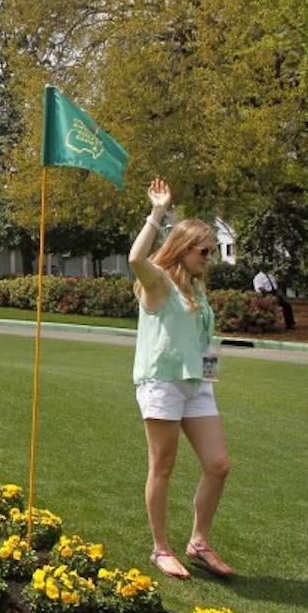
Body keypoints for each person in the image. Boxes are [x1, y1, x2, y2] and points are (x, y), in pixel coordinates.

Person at [128, 177, 235, 580]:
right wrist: (158, 214)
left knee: (219, 464)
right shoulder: (159, 283)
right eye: (204, 250)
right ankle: (160, 549)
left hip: (196, 385)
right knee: (164, 466)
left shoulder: (198, 288)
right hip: (162, 384)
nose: (209, 257)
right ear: (184, 248)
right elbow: (137, 259)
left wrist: (210, 378)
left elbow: (209, 339)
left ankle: (199, 541)